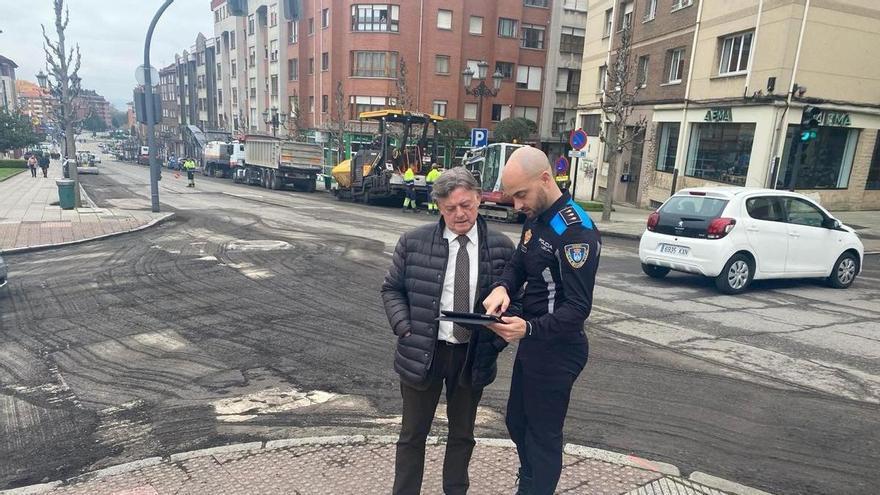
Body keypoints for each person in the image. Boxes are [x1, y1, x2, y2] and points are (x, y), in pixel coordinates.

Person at [381, 167, 516, 495]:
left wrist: (494, 342)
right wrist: (405, 328)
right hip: (423, 350)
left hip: (471, 355)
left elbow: (515, 300)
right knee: (412, 435)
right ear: (439, 208)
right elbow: (391, 290)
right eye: (450, 208)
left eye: (466, 205)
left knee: (462, 435)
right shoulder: (414, 242)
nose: (460, 214)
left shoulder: (500, 246)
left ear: (479, 199)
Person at [482, 146, 601, 495]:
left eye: (521, 194)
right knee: (517, 422)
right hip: (534, 342)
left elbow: (578, 308)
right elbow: (519, 262)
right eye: (513, 197)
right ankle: (530, 481)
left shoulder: (576, 231)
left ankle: (535, 488)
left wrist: (528, 328)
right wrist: (504, 287)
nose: (517, 205)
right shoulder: (537, 216)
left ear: (545, 179)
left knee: (542, 435)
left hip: (559, 349)